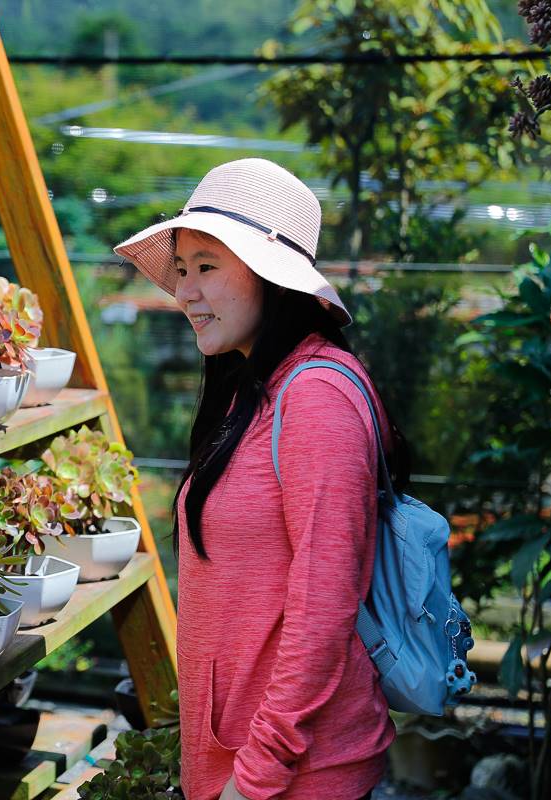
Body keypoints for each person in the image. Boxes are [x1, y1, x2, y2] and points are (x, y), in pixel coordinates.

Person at [114, 158, 408, 800]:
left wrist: (257, 777)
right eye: (182, 271)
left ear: (274, 279)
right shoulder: (251, 388)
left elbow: (323, 605)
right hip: (245, 758)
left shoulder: (316, 398)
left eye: (208, 268)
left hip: (293, 773)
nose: (185, 293)